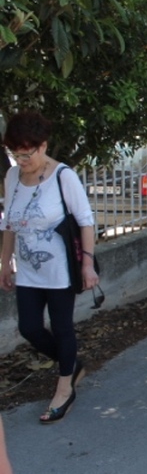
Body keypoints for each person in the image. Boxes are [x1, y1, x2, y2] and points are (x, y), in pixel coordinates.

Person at [0, 111, 97, 424]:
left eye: (27, 153)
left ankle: (64, 388)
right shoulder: (13, 176)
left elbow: (85, 221)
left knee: (62, 326)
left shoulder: (62, 176)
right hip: (28, 270)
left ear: (42, 146)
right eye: (15, 153)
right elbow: (9, 223)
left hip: (60, 270)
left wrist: (88, 265)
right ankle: (71, 363)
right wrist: (5, 263)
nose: (21, 159)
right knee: (29, 327)